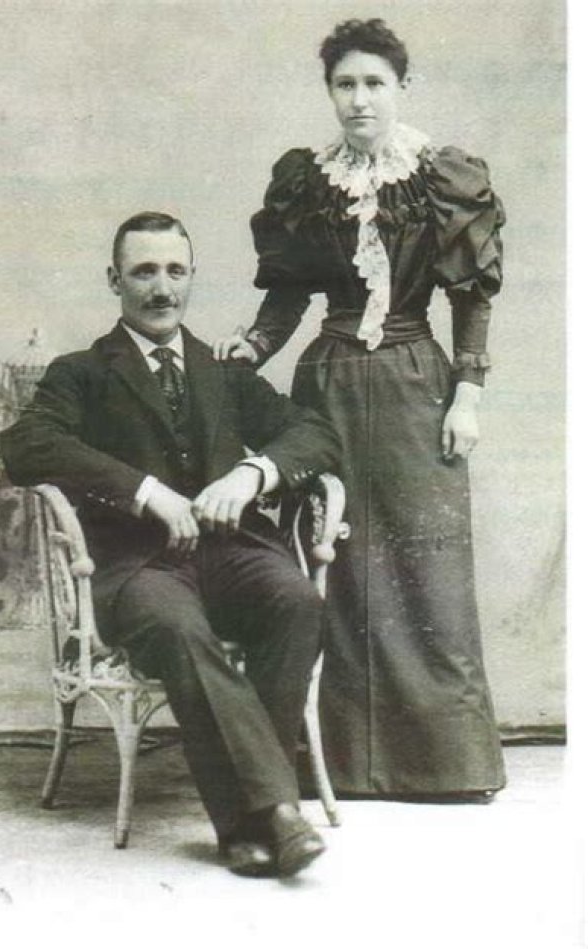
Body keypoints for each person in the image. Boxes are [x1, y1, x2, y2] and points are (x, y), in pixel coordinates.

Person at [214, 18, 506, 801]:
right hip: (331, 383)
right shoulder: (309, 182)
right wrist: (253, 347)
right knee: (330, 558)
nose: (359, 99)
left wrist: (468, 393)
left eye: (375, 82)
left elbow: (471, 298)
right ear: (329, 93)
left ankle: (444, 765)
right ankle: (333, 762)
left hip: (416, 384)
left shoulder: (441, 177)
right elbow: (287, 295)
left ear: (402, 87)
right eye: (345, 84)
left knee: (427, 565)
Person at [0, 212, 342, 875]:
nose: (162, 289)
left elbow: (316, 433)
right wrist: (144, 490)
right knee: (180, 628)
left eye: (175, 271)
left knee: (297, 601)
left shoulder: (224, 373)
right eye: (144, 272)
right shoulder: (81, 372)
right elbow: (26, 445)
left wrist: (252, 473)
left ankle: (251, 821)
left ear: (192, 277)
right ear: (115, 280)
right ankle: (271, 813)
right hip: (139, 566)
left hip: (231, 553)